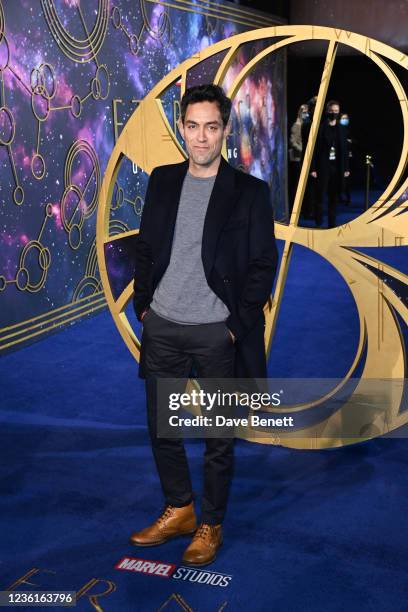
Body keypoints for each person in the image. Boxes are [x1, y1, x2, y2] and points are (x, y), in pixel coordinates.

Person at [130, 84, 278, 566]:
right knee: (162, 429)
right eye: (192, 126)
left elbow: (261, 266)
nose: (200, 137)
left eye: (211, 127)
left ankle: (210, 523)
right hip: (164, 325)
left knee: (219, 436)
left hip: (218, 331)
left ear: (225, 131)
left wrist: (234, 326)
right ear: (181, 128)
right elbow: (147, 247)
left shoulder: (250, 193)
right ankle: (179, 509)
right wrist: (145, 308)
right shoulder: (162, 179)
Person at [310, 100, 350, 227]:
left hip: (337, 167)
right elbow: (314, 150)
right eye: (331, 111)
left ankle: (332, 224)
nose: (334, 113)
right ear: (327, 111)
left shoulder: (342, 129)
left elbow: (344, 150)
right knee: (320, 196)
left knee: (334, 196)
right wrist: (313, 168)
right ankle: (318, 222)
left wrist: (346, 168)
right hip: (323, 166)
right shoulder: (320, 128)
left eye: (336, 111)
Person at [288, 103, 309, 214]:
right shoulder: (297, 125)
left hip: (303, 159)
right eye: (304, 112)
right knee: (297, 185)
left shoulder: (306, 125)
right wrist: (302, 149)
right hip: (296, 159)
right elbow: (292, 142)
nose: (306, 114)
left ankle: (304, 209)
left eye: (307, 112)